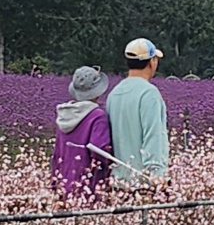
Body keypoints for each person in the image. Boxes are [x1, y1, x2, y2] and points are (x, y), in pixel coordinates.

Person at [107, 37, 170, 187]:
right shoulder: (149, 93)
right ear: (151, 62)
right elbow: (154, 135)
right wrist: (157, 174)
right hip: (143, 181)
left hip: (118, 181)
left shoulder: (114, 94)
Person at [51, 66, 112, 200]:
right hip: (88, 185)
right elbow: (99, 151)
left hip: (64, 183)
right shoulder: (97, 116)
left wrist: (55, 183)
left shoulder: (65, 114)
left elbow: (57, 153)